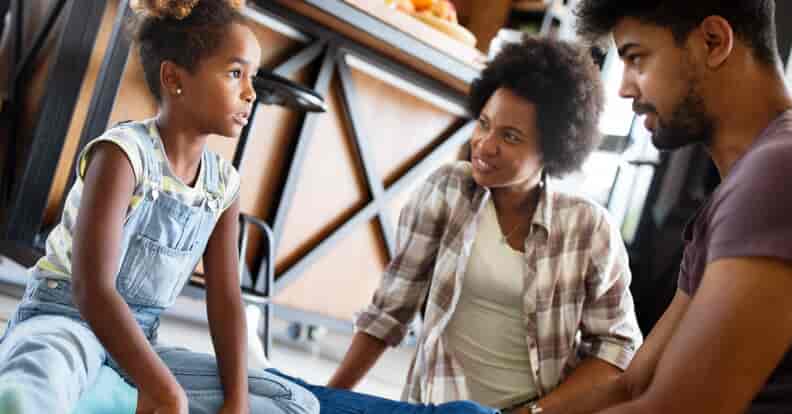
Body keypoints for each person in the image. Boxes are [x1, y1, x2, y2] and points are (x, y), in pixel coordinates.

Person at [0, 0, 315, 413]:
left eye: (252, 77)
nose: (250, 93)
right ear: (174, 78)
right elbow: (91, 290)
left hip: (137, 347)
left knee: (293, 401)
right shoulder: (122, 155)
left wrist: (236, 404)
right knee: (32, 387)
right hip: (67, 324)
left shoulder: (223, 185)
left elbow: (226, 302)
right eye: (235, 73)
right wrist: (166, 391)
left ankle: (112, 398)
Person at [328, 36, 643, 414]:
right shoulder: (447, 190)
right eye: (484, 124)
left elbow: (617, 350)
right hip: (438, 408)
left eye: (510, 137)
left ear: (555, 148)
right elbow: (389, 313)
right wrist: (325, 399)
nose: (485, 145)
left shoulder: (588, 228)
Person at [538, 1, 792, 413]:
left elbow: (674, 409)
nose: (624, 88)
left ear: (713, 41)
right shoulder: (738, 192)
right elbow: (633, 386)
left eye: (637, 58)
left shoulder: (776, 174)